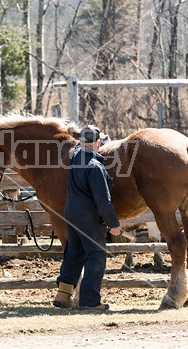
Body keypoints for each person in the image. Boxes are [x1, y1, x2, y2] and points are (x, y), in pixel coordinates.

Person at [53, 125, 122, 311]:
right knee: (96, 254)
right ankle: (90, 301)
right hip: (88, 217)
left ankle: (64, 294)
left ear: (82, 142)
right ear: (98, 142)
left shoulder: (75, 158)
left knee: (74, 252)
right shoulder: (96, 167)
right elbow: (103, 200)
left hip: (70, 213)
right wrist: (113, 224)